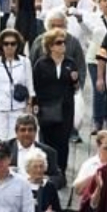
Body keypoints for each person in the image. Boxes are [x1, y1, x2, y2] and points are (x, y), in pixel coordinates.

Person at [33, 28, 80, 174]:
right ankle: (47, 170)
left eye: (63, 42)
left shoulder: (70, 63)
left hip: (66, 107)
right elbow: (35, 85)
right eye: (58, 43)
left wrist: (75, 79)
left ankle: (61, 171)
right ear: (50, 46)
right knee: (47, 139)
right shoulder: (41, 64)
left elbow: (76, 87)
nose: (62, 45)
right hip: (47, 106)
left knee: (63, 140)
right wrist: (35, 105)